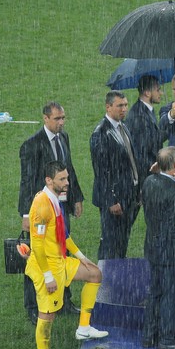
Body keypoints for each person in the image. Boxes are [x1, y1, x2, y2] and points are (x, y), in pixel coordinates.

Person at [26, 161, 107, 349]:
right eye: (62, 179)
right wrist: (48, 276)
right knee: (47, 314)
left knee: (94, 274)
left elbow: (63, 234)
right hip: (48, 268)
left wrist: (82, 257)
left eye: (67, 178)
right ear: (48, 180)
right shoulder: (42, 205)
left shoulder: (55, 200)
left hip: (61, 262)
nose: (67, 183)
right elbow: (38, 245)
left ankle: (83, 327)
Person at [19, 102, 82, 325]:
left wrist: (76, 197)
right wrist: (25, 214)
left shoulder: (63, 138)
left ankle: (63, 300)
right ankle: (32, 306)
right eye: (57, 119)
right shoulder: (32, 145)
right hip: (42, 210)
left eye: (63, 118)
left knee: (61, 252)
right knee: (37, 256)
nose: (61, 122)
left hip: (61, 207)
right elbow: (26, 182)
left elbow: (69, 169)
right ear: (45, 118)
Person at [141, 147, 175, 349]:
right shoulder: (174, 191)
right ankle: (167, 340)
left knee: (155, 293)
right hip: (170, 252)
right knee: (170, 297)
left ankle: (149, 336)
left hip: (153, 247)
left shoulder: (149, 182)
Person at [90, 91, 140, 260]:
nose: (124, 109)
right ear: (108, 107)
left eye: (125, 105)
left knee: (121, 241)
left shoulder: (123, 127)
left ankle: (116, 278)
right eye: (120, 105)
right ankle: (105, 283)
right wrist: (111, 200)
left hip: (127, 196)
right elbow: (101, 172)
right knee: (110, 243)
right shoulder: (101, 134)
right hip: (114, 200)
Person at [124, 75, 164, 191]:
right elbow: (141, 153)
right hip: (145, 178)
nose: (160, 93)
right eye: (157, 90)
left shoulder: (146, 110)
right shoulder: (139, 116)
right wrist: (146, 182)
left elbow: (154, 138)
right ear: (147, 93)